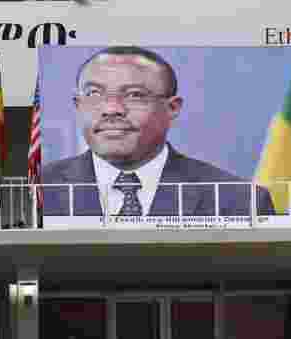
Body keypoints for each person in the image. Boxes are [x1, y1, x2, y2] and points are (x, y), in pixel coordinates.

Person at [42, 46, 274, 218]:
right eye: (94, 94)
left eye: (134, 95)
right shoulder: (36, 192)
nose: (111, 109)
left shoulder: (240, 201)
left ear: (172, 108)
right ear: (77, 105)